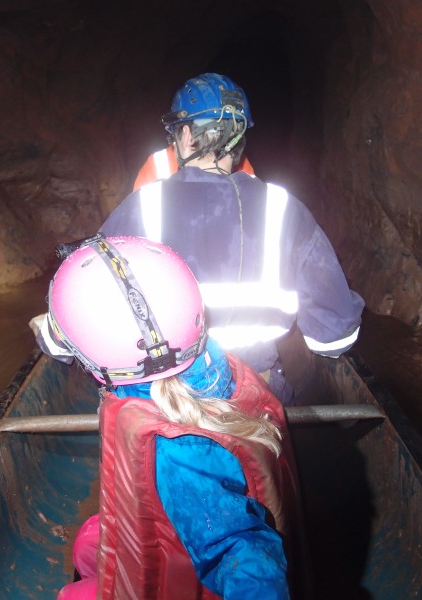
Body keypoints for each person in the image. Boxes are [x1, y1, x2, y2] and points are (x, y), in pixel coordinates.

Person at [34, 235, 300, 599]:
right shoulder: (208, 362)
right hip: (180, 518)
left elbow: (246, 554)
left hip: (186, 572)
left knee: (68, 597)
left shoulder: (178, 450)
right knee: (86, 542)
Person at [100, 72, 365, 404]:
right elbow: (333, 340)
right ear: (240, 139)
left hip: (167, 404)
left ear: (184, 135)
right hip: (257, 400)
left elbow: (86, 305)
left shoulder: (140, 207)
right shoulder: (284, 209)